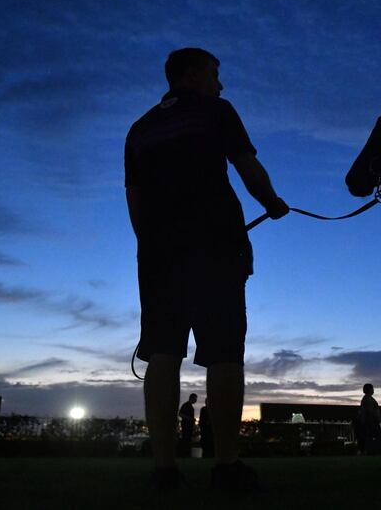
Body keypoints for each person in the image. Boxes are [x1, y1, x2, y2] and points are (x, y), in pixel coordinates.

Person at [126, 47, 289, 490]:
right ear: (194, 74)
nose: (221, 83)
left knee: (162, 353)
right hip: (215, 246)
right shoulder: (216, 111)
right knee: (223, 353)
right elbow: (247, 166)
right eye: (215, 73)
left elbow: (135, 199)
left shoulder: (139, 129)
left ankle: (164, 470)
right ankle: (227, 466)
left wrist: (150, 247)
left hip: (158, 256)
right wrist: (273, 203)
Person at [358, 383, 381, 454]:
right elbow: (370, 411)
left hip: (371, 421)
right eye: (372, 388)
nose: (373, 390)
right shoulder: (368, 399)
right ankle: (372, 451)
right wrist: (376, 419)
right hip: (371, 421)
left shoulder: (367, 398)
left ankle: (371, 450)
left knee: (371, 437)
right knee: (373, 437)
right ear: (370, 390)